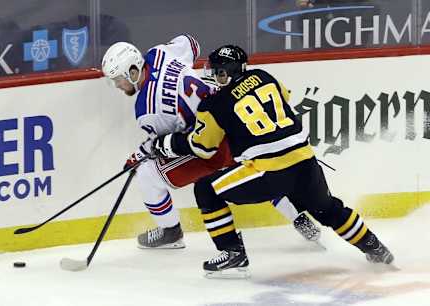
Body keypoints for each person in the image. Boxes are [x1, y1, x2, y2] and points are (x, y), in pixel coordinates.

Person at [151, 44, 394, 278]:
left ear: (225, 73)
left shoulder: (214, 104)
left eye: (217, 72)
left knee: (206, 189)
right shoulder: (264, 76)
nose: (214, 76)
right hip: (306, 161)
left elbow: (203, 147)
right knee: (328, 209)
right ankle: (377, 249)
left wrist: (169, 143)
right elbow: (284, 98)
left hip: (269, 171)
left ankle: (233, 252)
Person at [101, 36, 322, 249]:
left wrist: (140, 155)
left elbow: (167, 146)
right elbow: (192, 43)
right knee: (253, 167)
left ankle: (171, 232)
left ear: (133, 71)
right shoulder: (159, 53)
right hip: (237, 119)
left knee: (148, 174)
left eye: (119, 79)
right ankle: (298, 217)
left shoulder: (146, 110)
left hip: (210, 138)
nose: (118, 86)